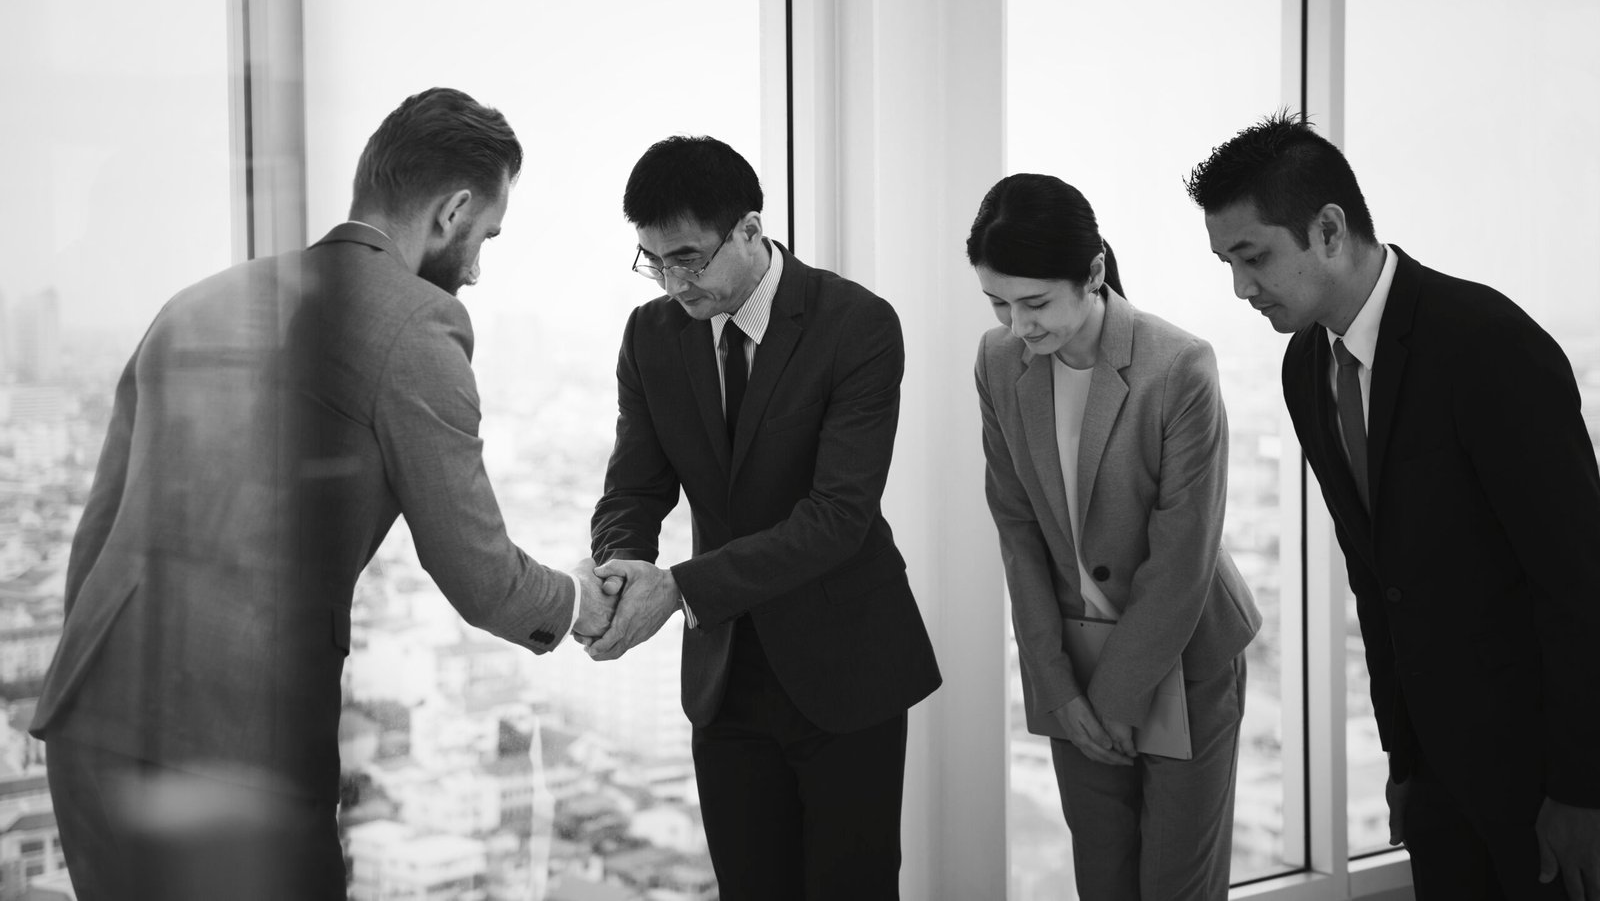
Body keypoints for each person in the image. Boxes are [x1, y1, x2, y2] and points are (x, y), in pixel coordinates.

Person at [31, 87, 617, 900]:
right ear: (451, 211)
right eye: (485, 236)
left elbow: (98, 535)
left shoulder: (198, 303)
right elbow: (479, 574)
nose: (478, 269)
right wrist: (579, 601)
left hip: (89, 721)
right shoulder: (417, 324)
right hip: (237, 752)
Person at [1190, 110, 1600, 900]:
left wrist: (1584, 788)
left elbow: (1579, 580)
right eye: (1227, 263)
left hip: (1544, 771)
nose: (1241, 288)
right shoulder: (1305, 369)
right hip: (1437, 775)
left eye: (1253, 256)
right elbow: (1376, 580)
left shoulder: (1486, 344)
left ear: (1328, 230)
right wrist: (1404, 761)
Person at [582, 135, 941, 900]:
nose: (673, 282)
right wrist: (621, 567)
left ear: (749, 229)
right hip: (726, 678)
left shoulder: (856, 324)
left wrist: (679, 588)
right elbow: (633, 490)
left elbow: (837, 516)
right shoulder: (651, 337)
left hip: (845, 665)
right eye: (653, 261)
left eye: (688, 259)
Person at [969, 173, 1261, 900]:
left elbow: (1183, 556)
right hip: (1073, 661)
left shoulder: (1178, 365)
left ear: (1094, 271)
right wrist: (1057, 687)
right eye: (999, 303)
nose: (1018, 326)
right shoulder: (997, 362)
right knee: (1103, 881)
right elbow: (1017, 532)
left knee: (1175, 886)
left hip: (1186, 653)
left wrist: (1116, 698)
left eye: (1036, 303)